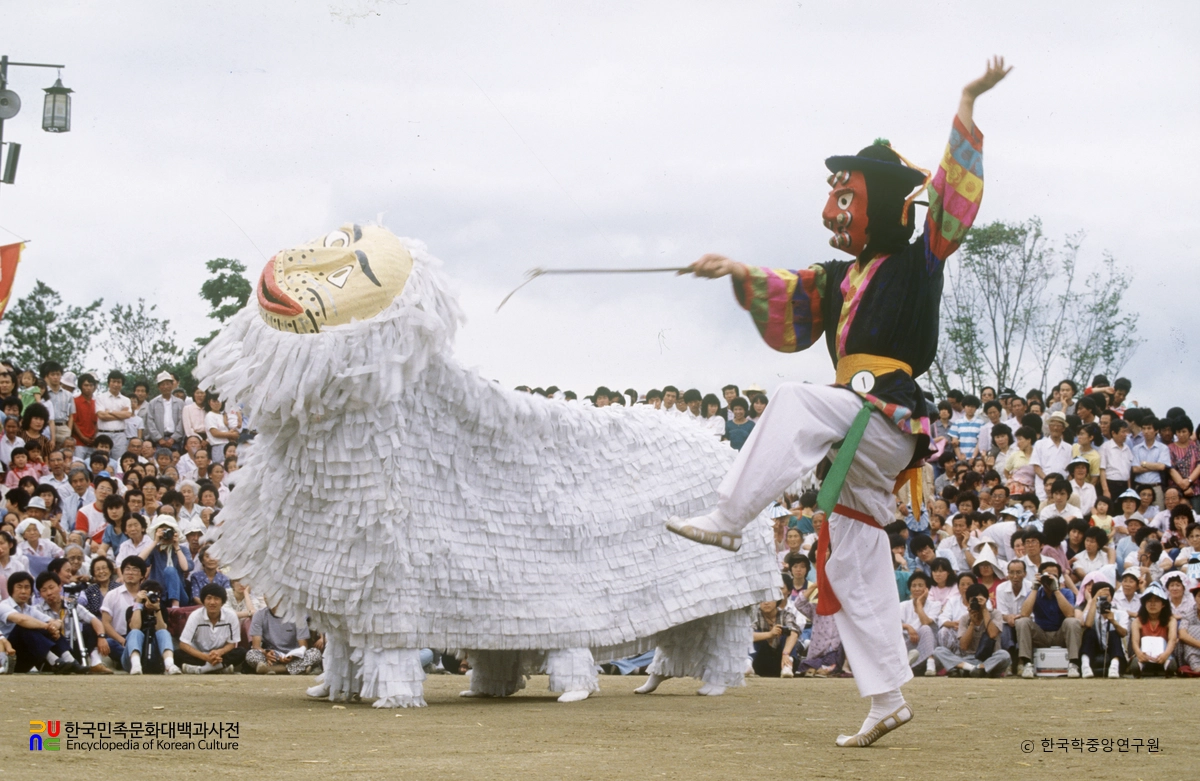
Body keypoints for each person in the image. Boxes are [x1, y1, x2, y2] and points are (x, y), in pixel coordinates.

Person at [0, 571, 86, 673]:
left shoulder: (30, 609)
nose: (23, 591)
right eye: (19, 587)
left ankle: (71, 661)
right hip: (7, 655)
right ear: (11, 589)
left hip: (26, 657)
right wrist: (47, 626)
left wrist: (55, 625)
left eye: (27, 587)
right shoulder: (3, 606)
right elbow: (21, 619)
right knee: (24, 627)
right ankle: (55, 662)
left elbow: (53, 622)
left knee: (47, 628)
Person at [1015, 560, 1083, 678]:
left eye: (1054, 576)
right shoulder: (1034, 592)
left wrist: (1056, 590)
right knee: (1022, 621)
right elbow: (1025, 613)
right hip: (1041, 635)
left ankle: (1073, 663)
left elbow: (1070, 614)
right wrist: (1035, 588)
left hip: (1060, 634)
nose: (1050, 579)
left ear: (1059, 578)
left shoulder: (1066, 592)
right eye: (1046, 576)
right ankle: (1027, 663)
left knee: (1072, 622)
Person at [35, 571, 112, 674]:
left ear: (60, 587)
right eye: (44, 590)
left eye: (51, 587)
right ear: (40, 593)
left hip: (72, 648)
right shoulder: (37, 609)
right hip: (54, 650)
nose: (49, 593)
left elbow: (94, 620)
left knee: (89, 628)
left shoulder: (71, 604)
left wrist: (101, 637)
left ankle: (95, 663)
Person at [934, 583, 1010, 677]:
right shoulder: (965, 618)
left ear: (986, 600)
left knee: (1004, 655)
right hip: (969, 659)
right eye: (973, 600)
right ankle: (975, 669)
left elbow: (993, 634)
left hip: (991, 658)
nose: (976, 603)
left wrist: (985, 610)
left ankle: (972, 669)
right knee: (938, 651)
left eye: (980, 600)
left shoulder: (995, 614)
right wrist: (972, 623)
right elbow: (964, 646)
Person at [177, 582, 246, 674]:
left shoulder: (231, 616)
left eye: (216, 599)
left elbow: (232, 643)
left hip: (220, 655)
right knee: (177, 654)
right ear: (203, 600)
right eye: (209, 598)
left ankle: (202, 670)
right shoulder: (195, 616)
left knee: (241, 652)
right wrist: (205, 657)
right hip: (199, 655)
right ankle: (220, 668)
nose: (212, 602)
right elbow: (183, 644)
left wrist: (220, 652)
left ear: (222, 601)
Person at [122, 577, 180, 675]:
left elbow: (161, 629)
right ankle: (136, 665)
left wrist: (157, 610)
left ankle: (169, 664)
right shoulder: (132, 609)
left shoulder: (161, 609)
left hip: (155, 656)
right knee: (136, 632)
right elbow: (135, 627)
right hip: (131, 658)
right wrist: (138, 604)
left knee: (164, 632)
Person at [246, 603, 321, 675]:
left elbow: (303, 647)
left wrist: (293, 656)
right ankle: (299, 668)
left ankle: (274, 669)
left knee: (315, 653)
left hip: (294, 656)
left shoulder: (298, 614)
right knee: (251, 654)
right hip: (272, 657)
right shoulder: (259, 614)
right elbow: (256, 646)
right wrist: (266, 653)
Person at [1077, 580, 1127, 678]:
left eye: (1107, 596)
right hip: (1095, 649)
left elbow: (1123, 633)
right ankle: (1085, 665)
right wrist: (1095, 599)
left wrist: (1113, 621)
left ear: (1112, 597)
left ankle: (1114, 667)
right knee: (1089, 632)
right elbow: (1088, 624)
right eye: (1101, 596)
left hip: (1113, 650)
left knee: (1114, 633)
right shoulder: (1091, 612)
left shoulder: (1121, 613)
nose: (1104, 599)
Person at [1128, 582, 1177, 677]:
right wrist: (1139, 653)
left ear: (1163, 604)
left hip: (1164, 654)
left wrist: (1165, 654)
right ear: (1144, 604)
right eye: (1149, 601)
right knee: (1137, 660)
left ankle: (1168, 664)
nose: (1152, 604)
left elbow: (1172, 639)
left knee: (1170, 661)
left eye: (1156, 601)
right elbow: (1135, 641)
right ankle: (1139, 665)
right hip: (1145, 654)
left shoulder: (1171, 620)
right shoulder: (1137, 621)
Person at [897, 571, 937, 676]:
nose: (917, 589)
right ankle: (908, 664)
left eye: (920, 585)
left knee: (926, 629)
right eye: (914, 586)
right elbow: (894, 624)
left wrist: (919, 603)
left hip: (924, 645)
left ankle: (930, 664)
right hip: (907, 643)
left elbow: (925, 622)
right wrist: (908, 627)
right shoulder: (903, 606)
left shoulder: (935, 605)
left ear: (927, 588)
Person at [1030, 412, 1072, 501]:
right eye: (1052, 425)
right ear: (1049, 427)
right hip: (1043, 488)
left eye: (1059, 425)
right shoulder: (1040, 444)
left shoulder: (1069, 448)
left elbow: (1069, 472)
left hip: (1062, 491)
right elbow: (1036, 468)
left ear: (1063, 428)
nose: (1055, 428)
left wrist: (1062, 486)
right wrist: (1049, 483)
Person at [94, 371, 133, 462]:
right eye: (113, 381)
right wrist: (120, 414)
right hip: (103, 433)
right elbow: (101, 415)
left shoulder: (126, 400)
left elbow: (127, 414)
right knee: (100, 460)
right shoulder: (100, 398)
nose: (116, 384)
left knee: (119, 461)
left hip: (120, 435)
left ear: (122, 384)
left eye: (118, 382)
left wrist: (110, 411)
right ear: (108, 383)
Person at [145, 371, 186, 452]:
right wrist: (159, 439)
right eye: (162, 384)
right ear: (158, 387)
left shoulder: (180, 403)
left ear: (172, 385)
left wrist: (173, 438)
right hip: (159, 441)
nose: (165, 386)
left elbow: (182, 422)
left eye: (168, 384)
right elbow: (150, 422)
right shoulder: (153, 403)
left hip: (175, 441)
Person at [1099, 419, 1134, 501]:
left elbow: (1128, 471)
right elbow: (1102, 470)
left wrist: (1129, 489)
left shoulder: (1127, 448)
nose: (1125, 435)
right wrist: (1106, 490)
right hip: (1111, 485)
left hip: (1124, 485)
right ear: (1114, 433)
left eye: (1126, 432)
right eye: (1123, 432)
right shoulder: (1105, 447)